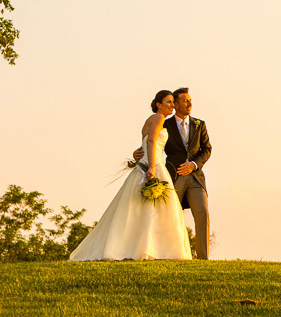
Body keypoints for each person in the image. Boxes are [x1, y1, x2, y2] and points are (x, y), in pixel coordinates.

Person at [69, 90, 191, 261]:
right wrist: (151, 167)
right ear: (159, 104)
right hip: (154, 166)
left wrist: (138, 156)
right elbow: (150, 142)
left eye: (173, 102)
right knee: (156, 209)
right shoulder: (158, 118)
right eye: (169, 102)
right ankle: (157, 249)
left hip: (146, 164)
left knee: (142, 210)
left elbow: (144, 144)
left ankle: (145, 247)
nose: (172, 105)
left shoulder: (149, 120)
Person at [134, 86, 212, 259]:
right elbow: (151, 142)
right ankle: (166, 252)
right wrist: (137, 153)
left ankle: (203, 258)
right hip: (173, 176)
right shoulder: (165, 123)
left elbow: (207, 149)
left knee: (203, 212)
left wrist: (193, 164)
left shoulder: (200, 124)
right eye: (185, 100)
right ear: (176, 104)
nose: (189, 103)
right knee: (169, 215)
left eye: (190, 100)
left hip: (196, 178)